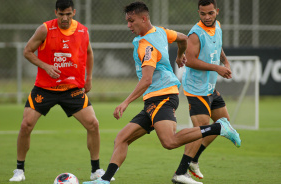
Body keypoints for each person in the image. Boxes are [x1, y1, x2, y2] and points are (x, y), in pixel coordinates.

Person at [91, 2, 240, 184]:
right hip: (154, 99)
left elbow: (146, 80)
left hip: (162, 96)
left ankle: (219, 128)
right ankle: (104, 180)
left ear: (144, 18)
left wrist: (125, 102)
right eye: (127, 21)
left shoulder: (146, 46)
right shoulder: (160, 31)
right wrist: (179, 55)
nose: (128, 25)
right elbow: (183, 38)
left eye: (131, 21)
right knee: (122, 138)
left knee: (170, 142)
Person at [9, 0, 106, 182]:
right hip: (45, 88)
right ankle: (19, 170)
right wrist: (45, 66)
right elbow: (28, 51)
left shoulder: (83, 30)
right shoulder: (45, 29)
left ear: (74, 12)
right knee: (25, 125)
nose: (64, 18)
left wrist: (89, 78)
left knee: (93, 124)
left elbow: (89, 52)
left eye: (68, 14)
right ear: (56, 13)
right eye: (61, 14)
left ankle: (96, 170)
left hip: (72, 89)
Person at [173, 0, 234, 183]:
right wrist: (217, 69)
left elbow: (218, 46)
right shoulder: (195, 34)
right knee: (200, 130)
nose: (206, 17)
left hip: (209, 87)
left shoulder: (218, 27)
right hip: (196, 89)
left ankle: (194, 159)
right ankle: (180, 173)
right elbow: (190, 61)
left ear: (217, 11)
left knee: (223, 123)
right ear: (198, 12)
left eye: (210, 13)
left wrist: (225, 61)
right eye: (202, 14)